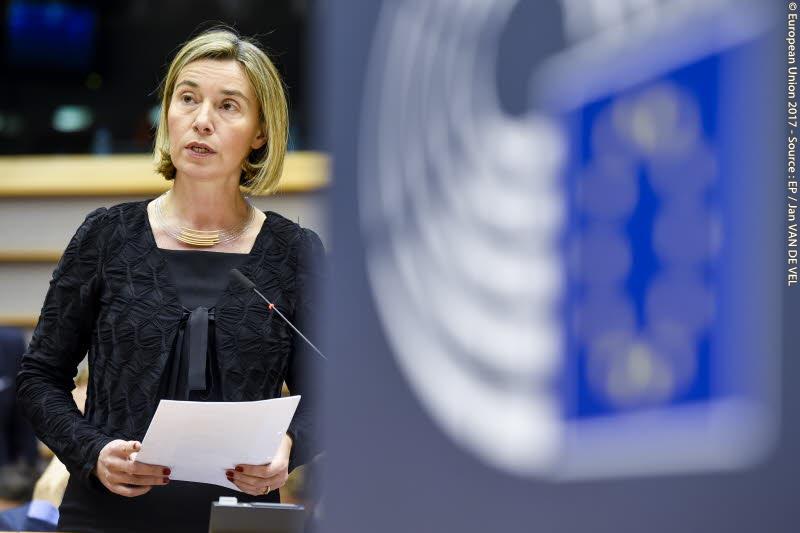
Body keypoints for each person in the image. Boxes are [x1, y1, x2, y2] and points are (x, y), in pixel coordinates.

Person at [16, 27, 325, 533]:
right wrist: (92, 451)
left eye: (228, 106)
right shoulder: (107, 237)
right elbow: (38, 378)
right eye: (187, 99)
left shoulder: (293, 253)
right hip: (104, 519)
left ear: (260, 133)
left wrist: (290, 446)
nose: (202, 120)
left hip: (239, 520)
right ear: (168, 114)